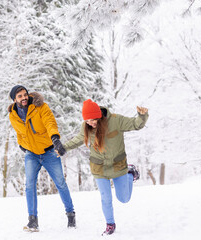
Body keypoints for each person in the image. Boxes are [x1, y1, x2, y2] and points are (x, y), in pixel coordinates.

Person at [60, 99, 148, 235]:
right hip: (99, 167)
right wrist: (63, 148)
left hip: (118, 165)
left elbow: (135, 124)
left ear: (99, 115)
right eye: (87, 121)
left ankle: (130, 174)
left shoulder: (116, 120)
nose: (90, 123)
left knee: (124, 198)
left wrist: (141, 116)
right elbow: (78, 139)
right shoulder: (86, 126)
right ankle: (110, 224)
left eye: (93, 119)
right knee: (105, 197)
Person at [8, 85, 76, 232]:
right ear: (14, 99)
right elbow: (19, 132)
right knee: (29, 186)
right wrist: (22, 145)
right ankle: (33, 221)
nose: (24, 98)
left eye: (25, 94)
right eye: (20, 96)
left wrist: (56, 139)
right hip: (31, 154)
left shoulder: (41, 107)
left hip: (49, 152)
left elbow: (50, 123)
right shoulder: (13, 115)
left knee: (60, 183)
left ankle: (70, 214)